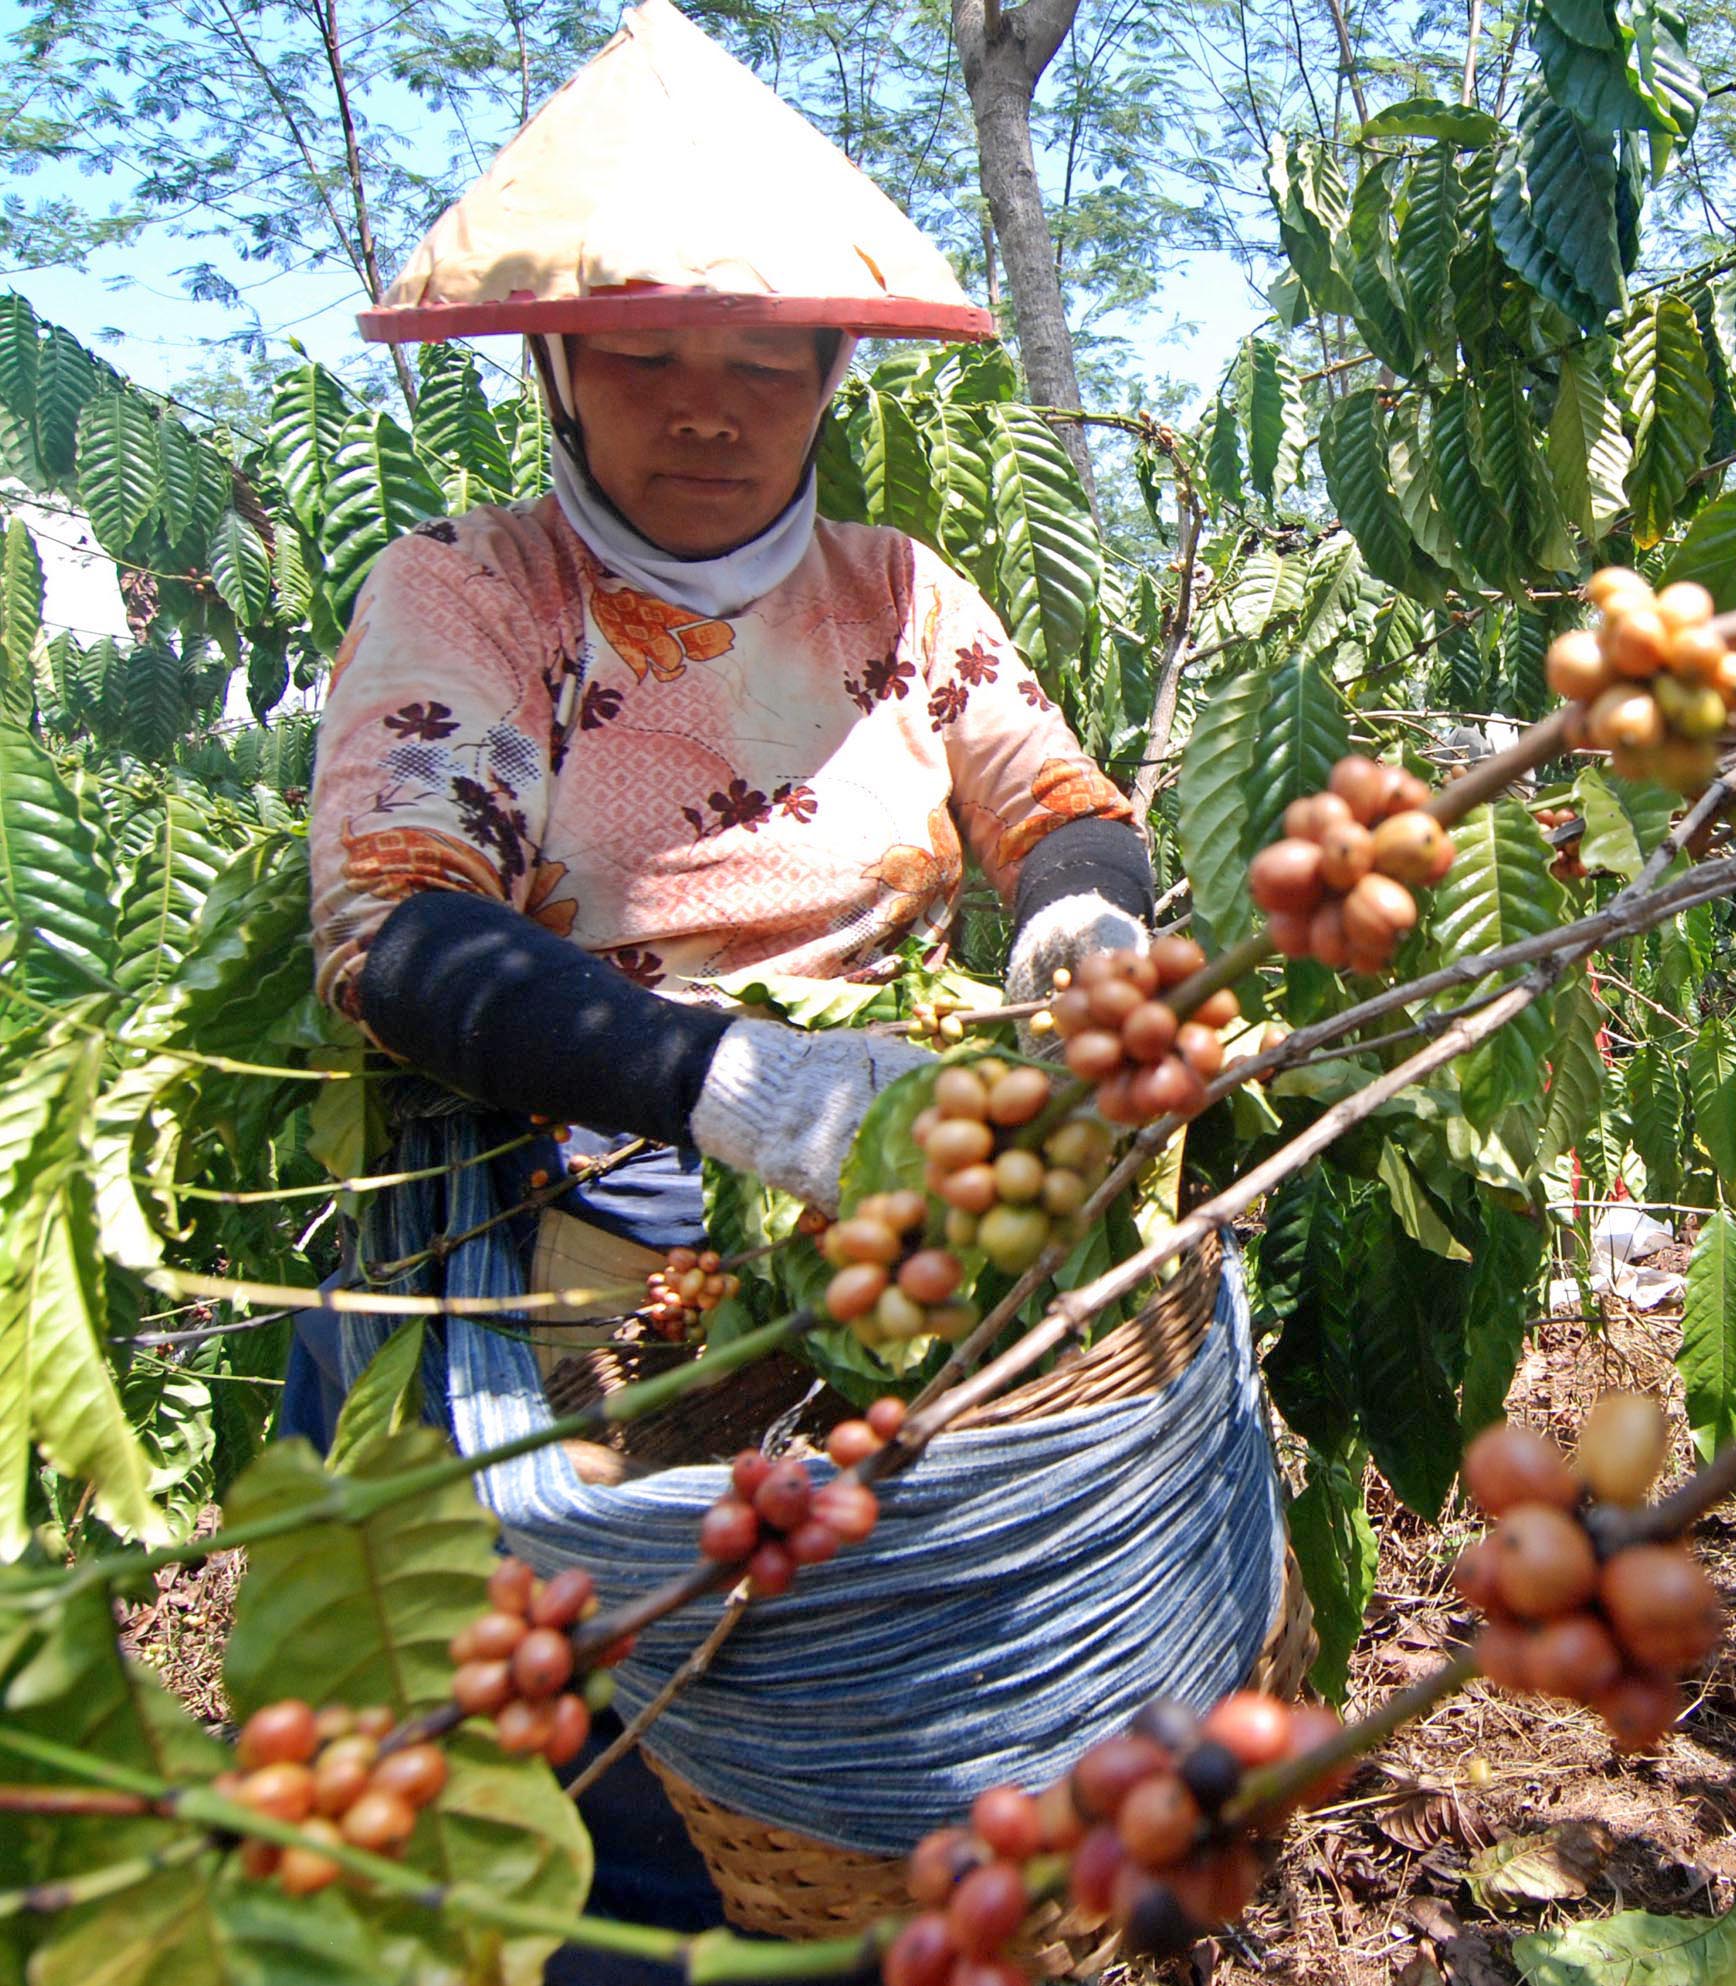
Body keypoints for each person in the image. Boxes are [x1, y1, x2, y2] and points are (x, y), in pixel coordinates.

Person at [272, 6, 1285, 1969]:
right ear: (559, 369)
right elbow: (397, 929)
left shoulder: (898, 595)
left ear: (832, 376)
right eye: (646, 356)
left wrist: (1079, 927)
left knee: (895, 1730)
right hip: (574, 1233)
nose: (705, 409)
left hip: (897, 1219)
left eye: (762, 361)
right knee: (612, 1794)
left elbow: (1055, 801)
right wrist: (743, 1088)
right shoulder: (472, 591)